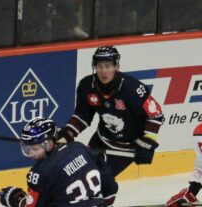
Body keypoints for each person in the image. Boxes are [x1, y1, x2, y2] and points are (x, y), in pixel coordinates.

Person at [59, 45, 165, 178]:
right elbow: (83, 115)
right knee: (80, 176)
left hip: (126, 147)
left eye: (108, 66)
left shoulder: (132, 89)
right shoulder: (87, 86)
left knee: (98, 182)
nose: (103, 71)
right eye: (99, 66)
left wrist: (147, 142)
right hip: (100, 139)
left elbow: (156, 115)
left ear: (116, 67)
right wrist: (68, 133)